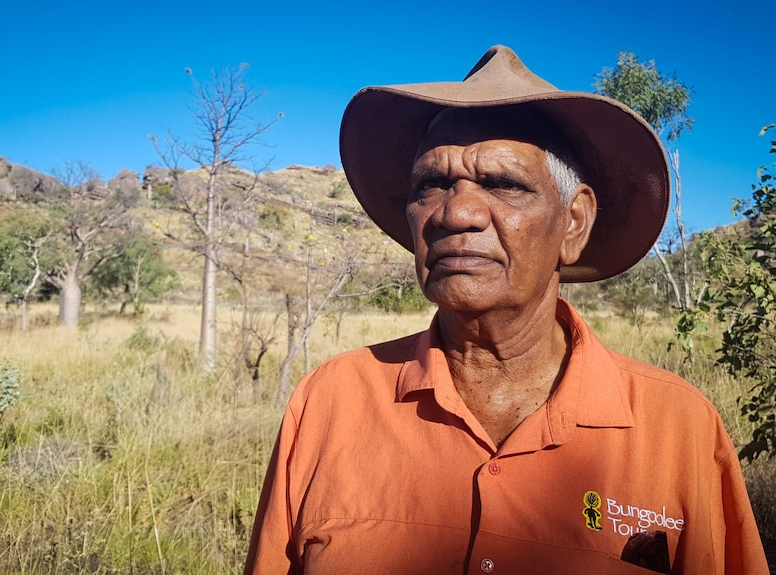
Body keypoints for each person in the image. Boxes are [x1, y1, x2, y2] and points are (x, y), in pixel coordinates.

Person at [244, 46, 769, 574]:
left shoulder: (679, 428)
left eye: (504, 184)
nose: (457, 212)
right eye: (432, 184)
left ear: (574, 222)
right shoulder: (330, 402)